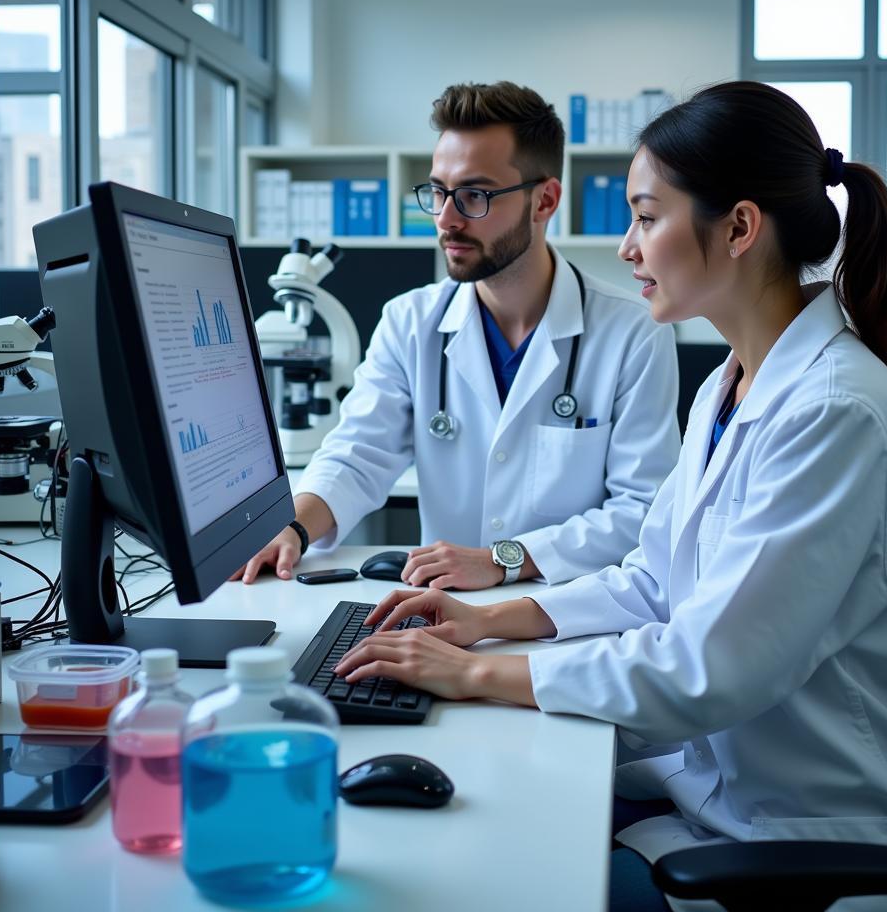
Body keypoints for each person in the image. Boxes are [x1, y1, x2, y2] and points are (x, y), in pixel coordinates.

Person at [333, 82, 887, 911]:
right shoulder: (735, 384)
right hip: (723, 789)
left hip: (814, 839)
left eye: (646, 217)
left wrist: (478, 675)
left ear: (739, 228)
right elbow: (652, 578)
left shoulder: (833, 411)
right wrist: (487, 622)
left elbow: (708, 668)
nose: (628, 249)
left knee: (484, 878)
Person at [236, 81, 680, 590]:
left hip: (571, 614)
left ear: (544, 200)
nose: (446, 219)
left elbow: (642, 508)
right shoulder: (409, 322)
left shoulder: (631, 331)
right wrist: (291, 527)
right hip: (439, 611)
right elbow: (357, 454)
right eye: (438, 192)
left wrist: (501, 560)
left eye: (474, 195)